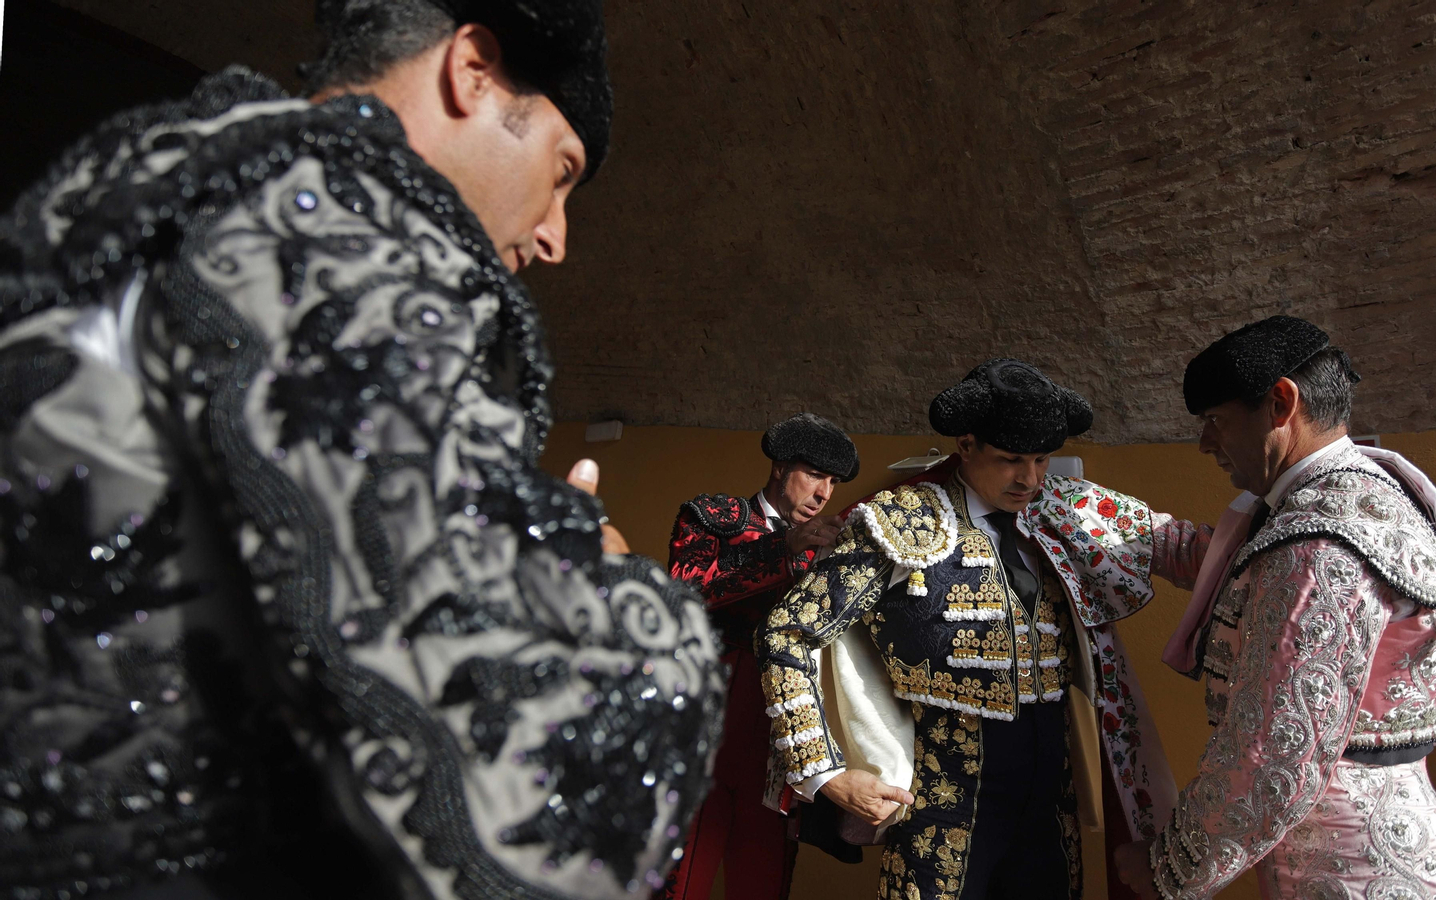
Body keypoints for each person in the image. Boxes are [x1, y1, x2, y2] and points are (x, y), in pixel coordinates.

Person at [0, 2, 724, 899]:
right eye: (562, 171)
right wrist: (596, 582)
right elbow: (500, 780)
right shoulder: (332, 227)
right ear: (472, 72)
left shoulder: (166, 190)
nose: (555, 236)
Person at [1115, 316, 1436, 899]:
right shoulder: (1370, 492)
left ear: (1280, 403)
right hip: (1401, 837)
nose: (1205, 444)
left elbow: (1274, 752)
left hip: (1341, 870)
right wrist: (1115, 524)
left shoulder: (1315, 541)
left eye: (1216, 421)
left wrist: (1168, 867)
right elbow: (1249, 575)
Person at [757, 359, 1210, 900]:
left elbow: (1183, 548)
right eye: (1011, 459)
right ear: (966, 445)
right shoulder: (905, 518)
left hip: (1050, 793)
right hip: (942, 792)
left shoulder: (1066, 510)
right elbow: (785, 632)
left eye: (1040, 459)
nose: (1030, 479)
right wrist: (823, 773)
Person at [660, 413, 859, 900]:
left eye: (833, 483)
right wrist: (782, 548)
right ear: (779, 467)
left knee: (763, 880)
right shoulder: (713, 516)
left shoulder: (825, 544)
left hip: (784, 727)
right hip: (707, 715)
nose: (823, 494)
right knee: (679, 880)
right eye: (814, 475)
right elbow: (684, 593)